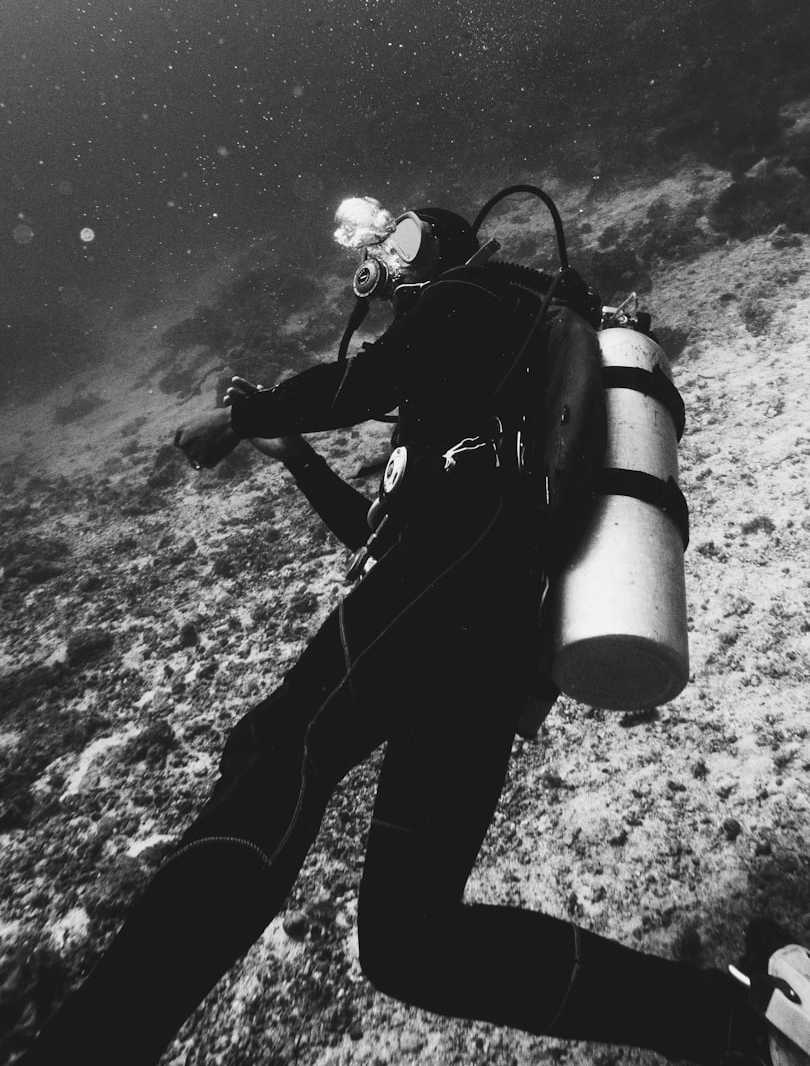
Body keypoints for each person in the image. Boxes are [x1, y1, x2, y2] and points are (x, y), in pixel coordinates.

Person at [19, 196, 810, 1066]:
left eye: (400, 236)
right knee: (411, 941)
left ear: (449, 250)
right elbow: (377, 533)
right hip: (486, 632)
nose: (383, 254)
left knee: (280, 749)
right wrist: (297, 454)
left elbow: (365, 384)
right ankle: (741, 1023)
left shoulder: (468, 296)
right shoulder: (470, 393)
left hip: (448, 588)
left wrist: (245, 416)